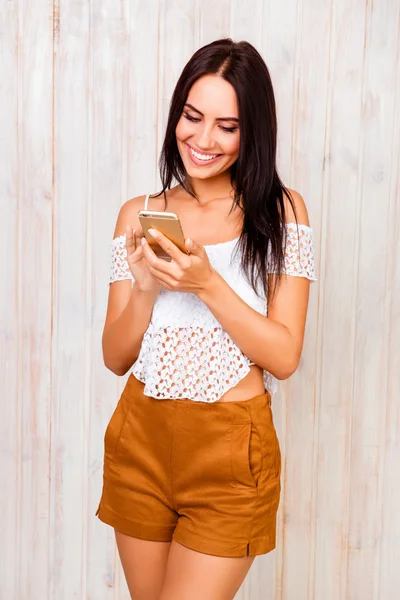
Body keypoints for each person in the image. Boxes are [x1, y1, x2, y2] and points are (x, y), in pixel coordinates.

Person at [95, 38, 316, 600]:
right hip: (139, 439)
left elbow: (284, 356)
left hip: (230, 451)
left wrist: (206, 284)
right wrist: (145, 291)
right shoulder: (140, 212)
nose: (203, 139)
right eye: (192, 117)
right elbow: (116, 356)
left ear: (252, 131)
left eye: (227, 125)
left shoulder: (281, 212)